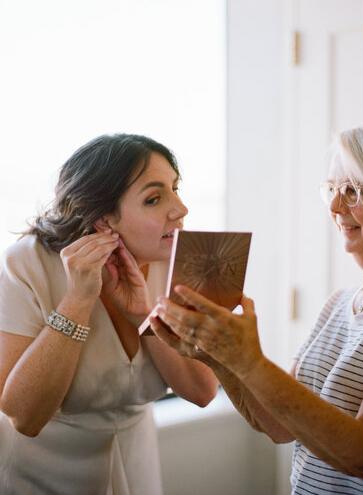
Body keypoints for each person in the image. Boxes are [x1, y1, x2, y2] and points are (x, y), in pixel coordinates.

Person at [151, 121, 363, 493]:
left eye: (352, 191)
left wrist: (250, 359)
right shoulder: (338, 304)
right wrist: (218, 355)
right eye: (332, 189)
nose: (334, 206)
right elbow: (280, 425)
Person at [0, 133, 218, 495]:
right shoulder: (27, 263)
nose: (181, 209)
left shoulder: (183, 259)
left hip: (138, 463)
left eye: (175, 189)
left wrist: (144, 318)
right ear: (103, 220)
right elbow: (23, 416)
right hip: (39, 474)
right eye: (154, 198)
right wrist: (77, 300)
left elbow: (202, 390)